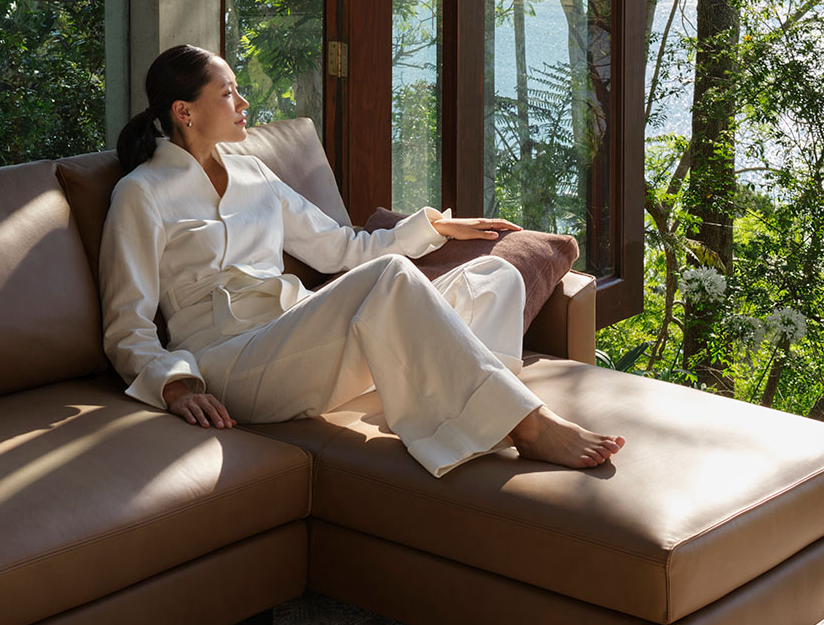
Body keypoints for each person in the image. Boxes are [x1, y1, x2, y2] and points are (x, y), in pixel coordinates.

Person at [102, 44, 624, 477]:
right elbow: (127, 324)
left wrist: (436, 228)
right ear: (184, 111)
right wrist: (174, 382)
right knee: (391, 278)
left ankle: (469, 414)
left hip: (299, 338)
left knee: (495, 276)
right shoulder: (141, 193)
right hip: (231, 364)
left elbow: (341, 247)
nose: (243, 102)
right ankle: (527, 426)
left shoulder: (253, 173)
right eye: (228, 93)